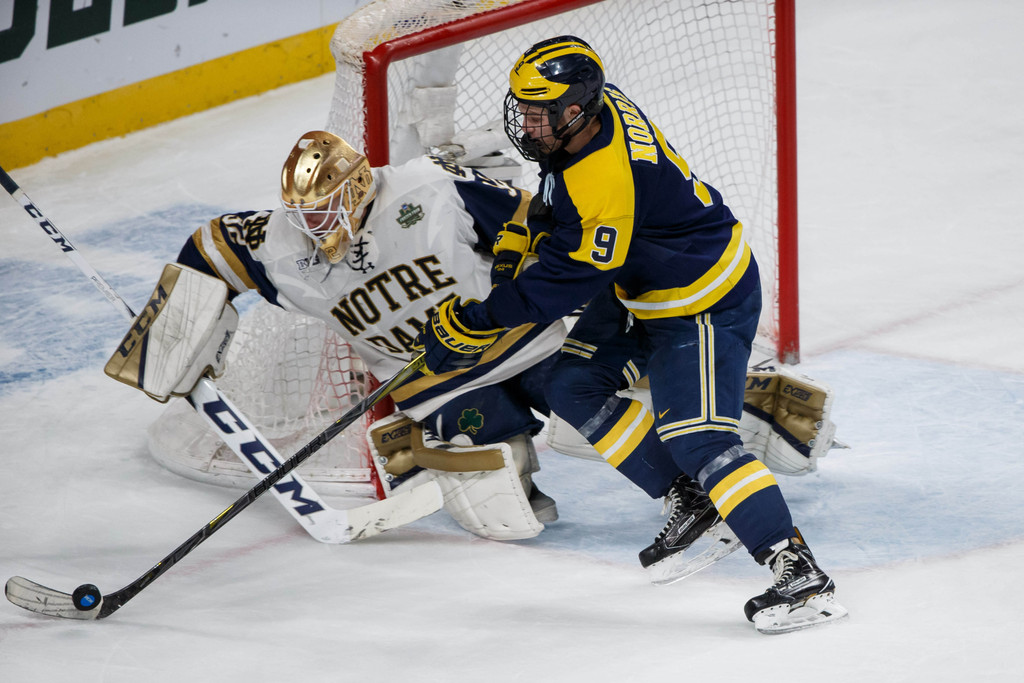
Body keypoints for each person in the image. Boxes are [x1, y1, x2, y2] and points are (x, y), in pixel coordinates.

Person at [416, 36, 848, 633]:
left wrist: (479, 319)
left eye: (541, 111)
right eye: (526, 106)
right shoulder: (594, 116)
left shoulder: (605, 178)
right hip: (642, 285)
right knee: (573, 386)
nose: (527, 121)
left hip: (700, 302)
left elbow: (564, 288)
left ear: (576, 109)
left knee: (699, 439)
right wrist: (516, 245)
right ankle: (690, 500)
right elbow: (553, 201)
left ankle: (798, 574)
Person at [172, 129, 568, 541]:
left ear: (356, 188)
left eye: (323, 211)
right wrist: (172, 326)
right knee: (498, 510)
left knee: (590, 414)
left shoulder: (430, 186)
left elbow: (538, 224)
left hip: (525, 340)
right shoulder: (282, 246)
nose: (312, 226)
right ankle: (420, 441)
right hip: (435, 381)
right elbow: (212, 245)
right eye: (303, 214)